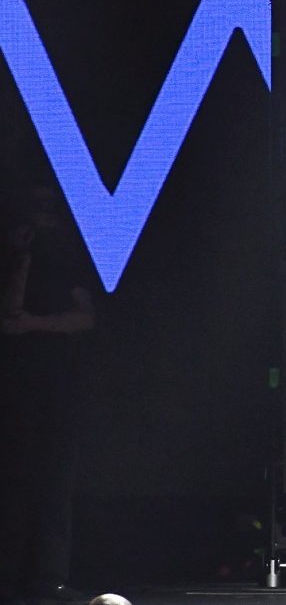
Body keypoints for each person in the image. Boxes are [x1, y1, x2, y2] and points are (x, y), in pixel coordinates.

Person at [0, 184, 98, 604]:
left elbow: (84, 318)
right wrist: (20, 257)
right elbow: (9, 317)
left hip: (57, 385)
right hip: (16, 388)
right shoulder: (15, 258)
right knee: (14, 483)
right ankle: (11, 578)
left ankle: (49, 577)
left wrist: (34, 325)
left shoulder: (67, 257)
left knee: (55, 483)